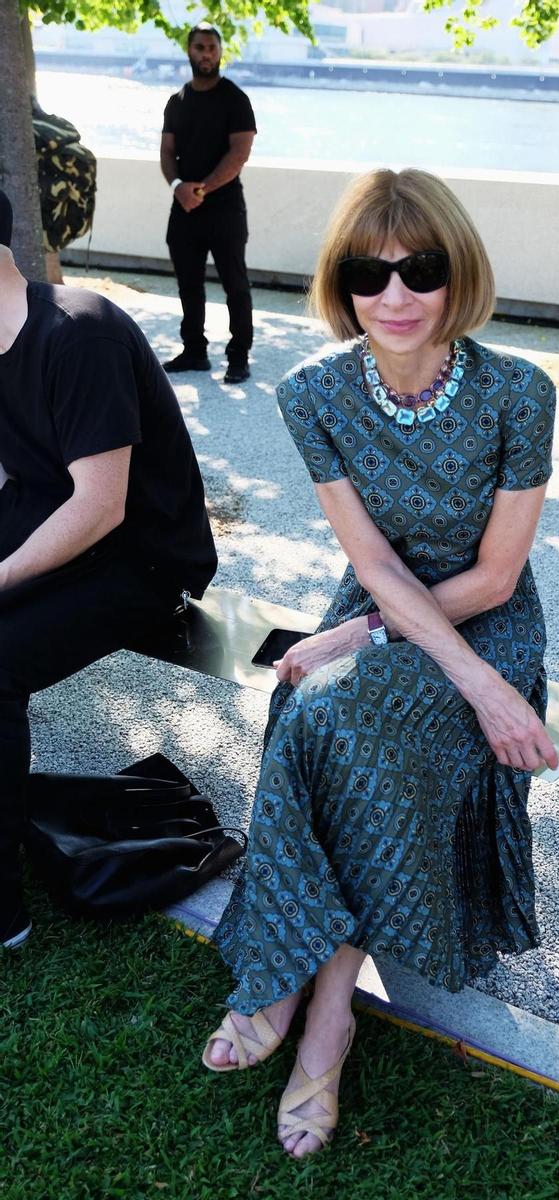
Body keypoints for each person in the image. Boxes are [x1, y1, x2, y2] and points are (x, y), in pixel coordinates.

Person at [204, 168, 559, 1157]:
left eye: (421, 270)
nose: (394, 296)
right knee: (315, 712)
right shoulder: (313, 393)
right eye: (369, 271)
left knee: (328, 716)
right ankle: (307, 988)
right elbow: (367, 565)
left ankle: (317, 1011)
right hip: (381, 607)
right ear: (341, 280)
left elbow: (492, 579)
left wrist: (463, 673)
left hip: (484, 625)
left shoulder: (516, 393)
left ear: (459, 274)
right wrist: (360, 631)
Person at [0, 187, 217, 950]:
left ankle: (5, 915)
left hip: (142, 558)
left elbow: (100, 506)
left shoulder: (76, 331)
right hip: (52, 525)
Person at [160, 23, 257, 384]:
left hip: (225, 209)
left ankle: (238, 356)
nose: (206, 53)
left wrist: (202, 188)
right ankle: (194, 351)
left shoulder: (235, 99)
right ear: (189, 51)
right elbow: (167, 152)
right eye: (199, 47)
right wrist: (178, 186)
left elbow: (240, 152)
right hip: (184, 208)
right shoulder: (177, 102)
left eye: (212, 47)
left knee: (235, 283)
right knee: (189, 284)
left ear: (220, 52)